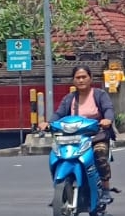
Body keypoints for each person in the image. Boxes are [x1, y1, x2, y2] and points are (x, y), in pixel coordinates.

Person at [41, 63, 115, 194]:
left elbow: (108, 109)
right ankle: (62, 190)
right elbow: (59, 114)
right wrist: (48, 123)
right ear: (73, 80)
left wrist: (107, 120)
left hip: (96, 136)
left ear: (90, 78)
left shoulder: (99, 95)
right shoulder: (69, 98)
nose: (81, 80)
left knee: (100, 154)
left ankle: (105, 188)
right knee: (58, 155)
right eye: (77, 77)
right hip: (73, 137)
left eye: (84, 77)